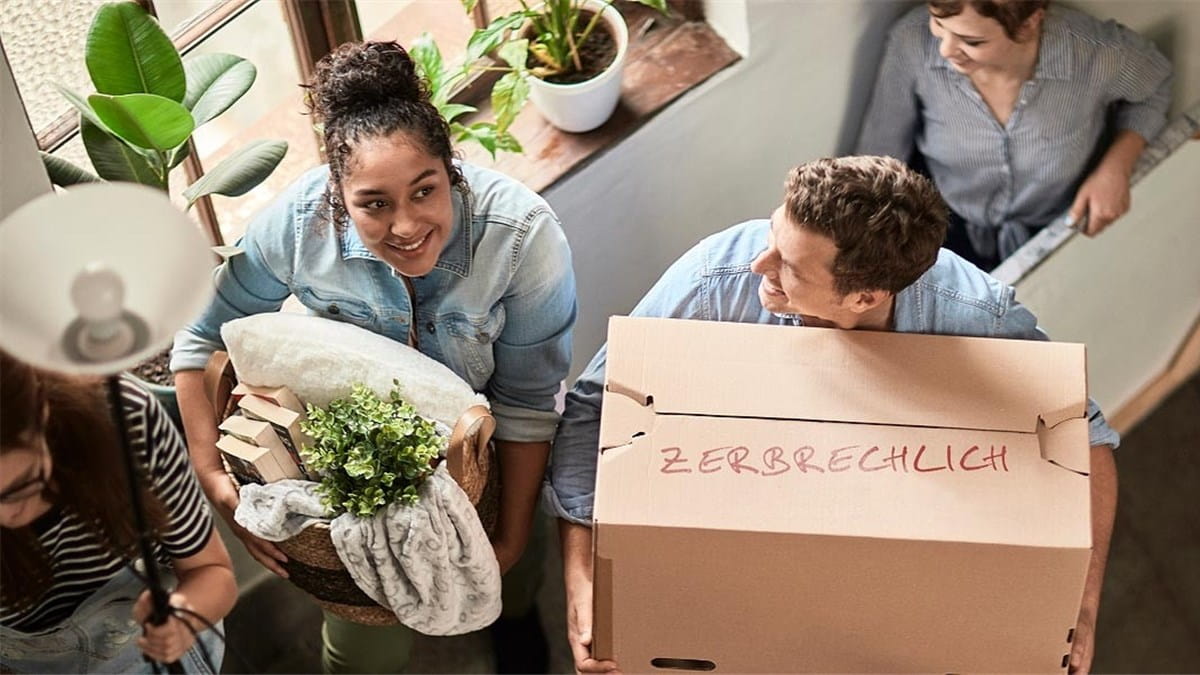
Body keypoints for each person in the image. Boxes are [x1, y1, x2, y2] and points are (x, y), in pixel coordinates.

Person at [546, 156, 1119, 674]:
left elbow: (1083, 439)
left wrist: (1083, 609)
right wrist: (583, 578)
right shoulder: (713, 283)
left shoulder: (975, 318)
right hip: (733, 555)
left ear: (864, 297)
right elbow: (594, 410)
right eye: (774, 233)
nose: (758, 264)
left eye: (789, 265)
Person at [170, 40, 576, 674]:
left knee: (513, 585)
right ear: (338, 194)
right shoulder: (297, 226)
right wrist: (212, 475)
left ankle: (517, 621)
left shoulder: (523, 238)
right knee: (361, 651)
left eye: (424, 191)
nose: (406, 225)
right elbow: (198, 340)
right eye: (374, 204)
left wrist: (512, 538)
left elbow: (526, 407)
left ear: (453, 171)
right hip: (353, 481)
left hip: (491, 459)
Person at [856, 0, 1172, 270]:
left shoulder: (1096, 54)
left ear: (1028, 23)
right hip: (948, 223)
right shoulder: (910, 41)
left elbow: (1155, 87)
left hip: (1058, 225)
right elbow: (881, 153)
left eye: (972, 41)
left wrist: (1117, 165)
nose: (945, 49)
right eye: (938, 24)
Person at [0, 351, 235, 673]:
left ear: (42, 412)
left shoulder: (125, 420)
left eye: (18, 489)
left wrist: (182, 615)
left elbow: (212, 573)